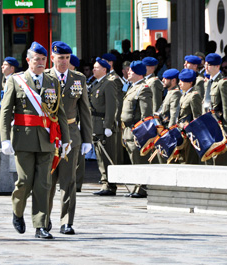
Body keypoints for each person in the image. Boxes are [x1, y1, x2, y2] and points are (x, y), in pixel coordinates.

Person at [0, 41, 70, 239]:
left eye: (43, 60)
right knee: (24, 182)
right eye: (36, 59)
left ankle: (40, 226)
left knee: (43, 184)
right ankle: (17, 211)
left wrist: (65, 139)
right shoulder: (16, 80)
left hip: (47, 140)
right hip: (23, 139)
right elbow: (5, 112)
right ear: (28, 60)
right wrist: (5, 139)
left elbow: (59, 112)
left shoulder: (52, 81)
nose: (40, 63)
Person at [45, 41, 92, 235]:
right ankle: (44, 219)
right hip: (48, 135)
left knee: (69, 180)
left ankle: (66, 221)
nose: (63, 61)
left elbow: (85, 110)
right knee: (46, 180)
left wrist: (87, 138)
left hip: (71, 134)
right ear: (52, 57)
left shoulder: (78, 79)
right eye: (60, 58)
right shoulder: (43, 78)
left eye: (66, 58)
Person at [121, 61, 152, 198]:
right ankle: (137, 186)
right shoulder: (132, 87)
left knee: (139, 160)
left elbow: (146, 114)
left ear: (139, 73)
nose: (128, 72)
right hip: (128, 129)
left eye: (131, 71)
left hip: (136, 129)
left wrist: (141, 133)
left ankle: (142, 188)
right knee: (134, 160)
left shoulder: (143, 88)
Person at [89, 57, 117, 196]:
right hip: (95, 124)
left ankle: (110, 185)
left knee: (106, 156)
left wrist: (108, 125)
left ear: (104, 70)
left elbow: (111, 107)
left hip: (102, 124)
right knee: (100, 156)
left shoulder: (108, 84)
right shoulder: (96, 84)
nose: (94, 69)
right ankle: (105, 181)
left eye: (96, 67)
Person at [204, 53, 227, 165]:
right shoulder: (208, 83)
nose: (206, 67)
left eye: (209, 65)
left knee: (218, 159)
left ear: (217, 66)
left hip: (218, 125)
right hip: (207, 124)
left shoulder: (223, 83)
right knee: (208, 157)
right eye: (206, 64)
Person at [178, 69, 202, 164]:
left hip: (190, 135)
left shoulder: (194, 96)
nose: (180, 83)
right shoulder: (184, 95)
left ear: (190, 82)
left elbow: (197, 118)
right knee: (182, 160)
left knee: (190, 161)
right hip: (182, 132)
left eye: (182, 81)